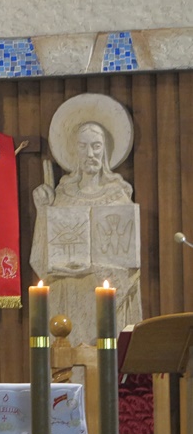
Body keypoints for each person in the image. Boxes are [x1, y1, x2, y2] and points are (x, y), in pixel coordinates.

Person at [31, 94, 140, 346]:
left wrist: (95, 269)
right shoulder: (63, 196)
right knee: (68, 355)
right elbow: (42, 258)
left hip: (104, 293)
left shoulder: (118, 196)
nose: (90, 153)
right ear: (74, 150)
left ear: (106, 150)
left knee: (104, 356)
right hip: (68, 293)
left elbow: (129, 265)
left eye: (96, 146)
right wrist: (43, 212)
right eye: (83, 146)